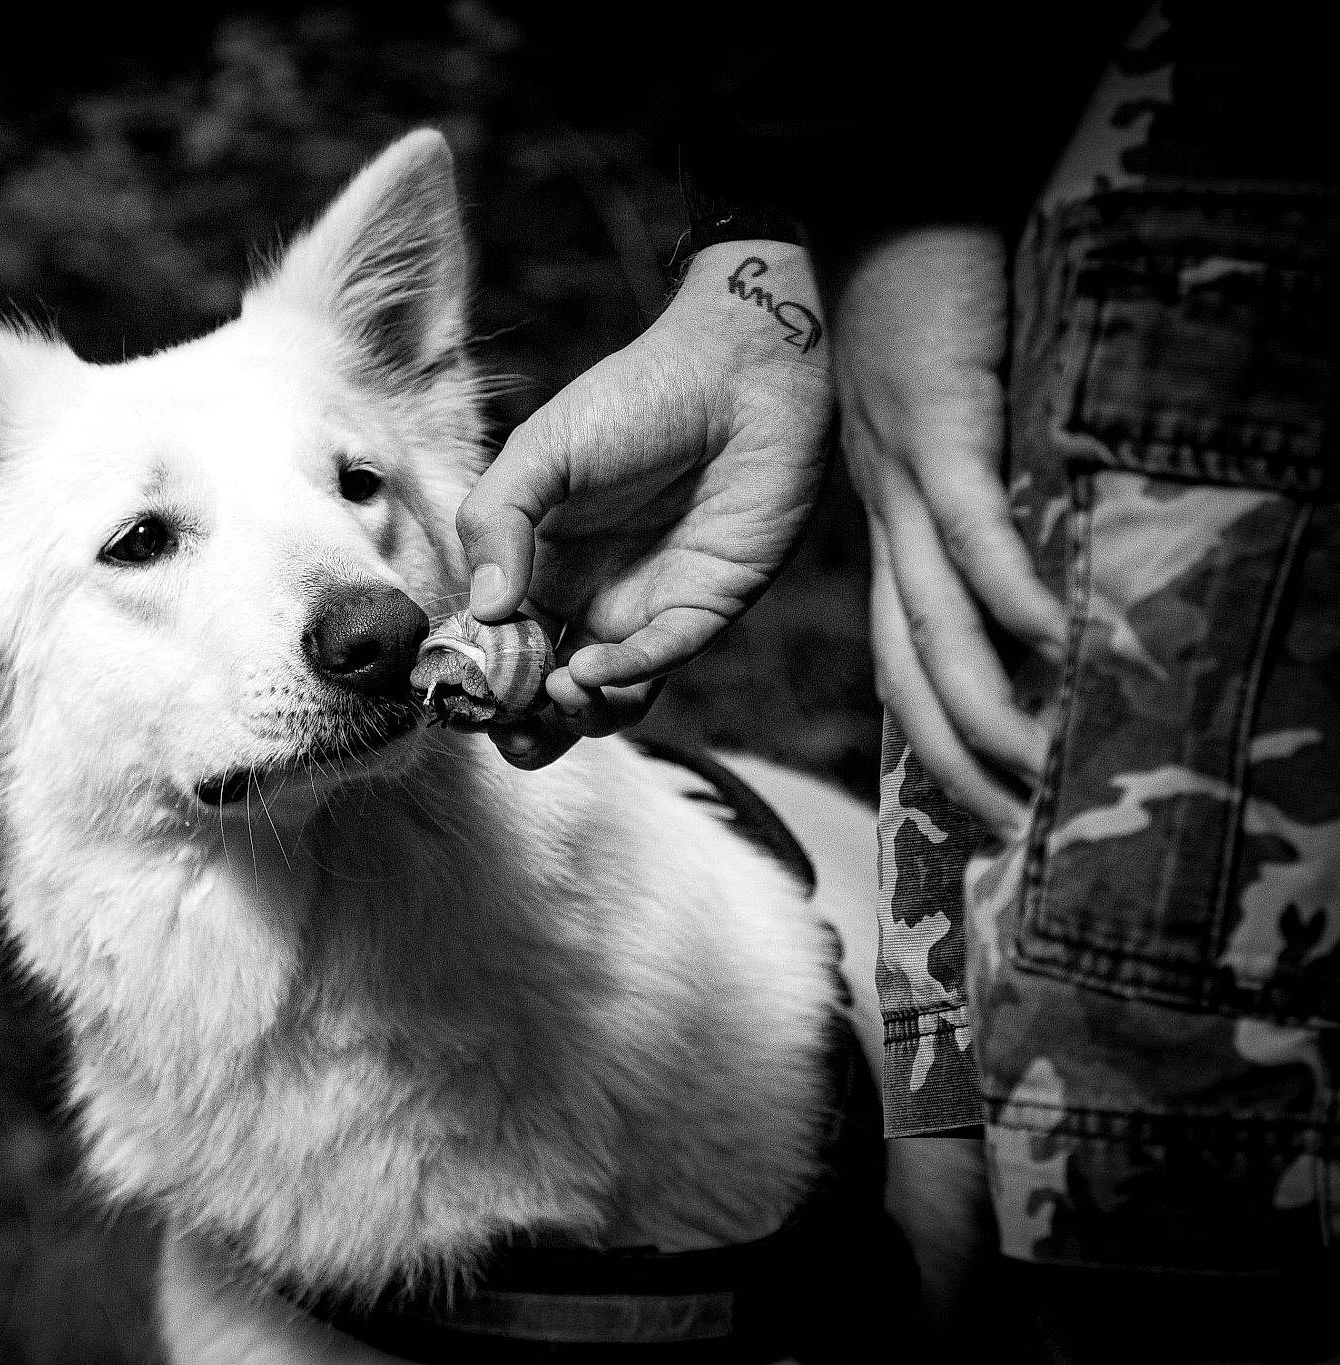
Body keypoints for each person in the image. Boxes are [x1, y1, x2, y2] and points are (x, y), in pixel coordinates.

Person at [460, 4, 1337, 1359]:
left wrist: (887, 204)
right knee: (1031, 1205)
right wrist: (773, 266)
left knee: (1179, 1213)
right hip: (1098, 213)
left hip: (1199, 186)